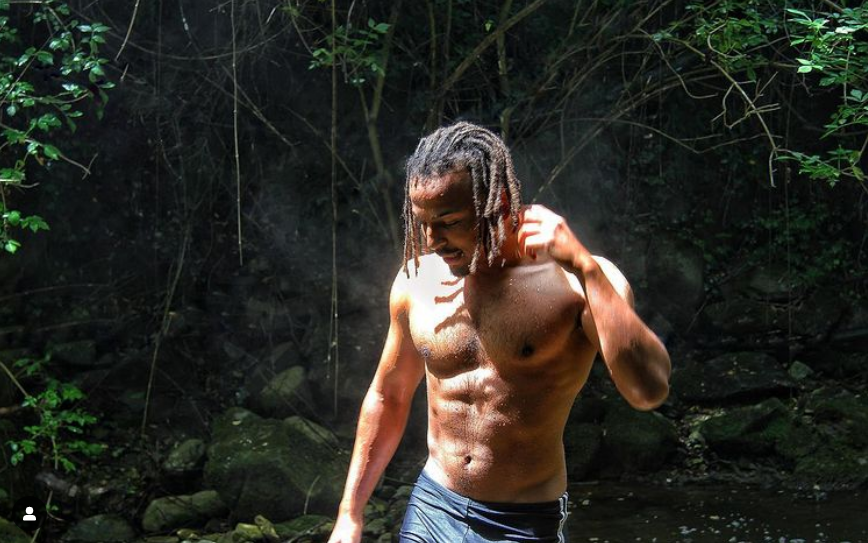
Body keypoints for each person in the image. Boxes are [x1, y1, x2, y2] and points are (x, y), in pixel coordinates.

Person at [327, 122, 671, 543]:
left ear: (500, 204)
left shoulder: (575, 283)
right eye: (423, 223)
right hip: (433, 507)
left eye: (449, 222)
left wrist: (586, 268)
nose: (432, 240)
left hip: (523, 522)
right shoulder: (417, 281)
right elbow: (389, 395)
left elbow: (648, 390)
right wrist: (349, 514)